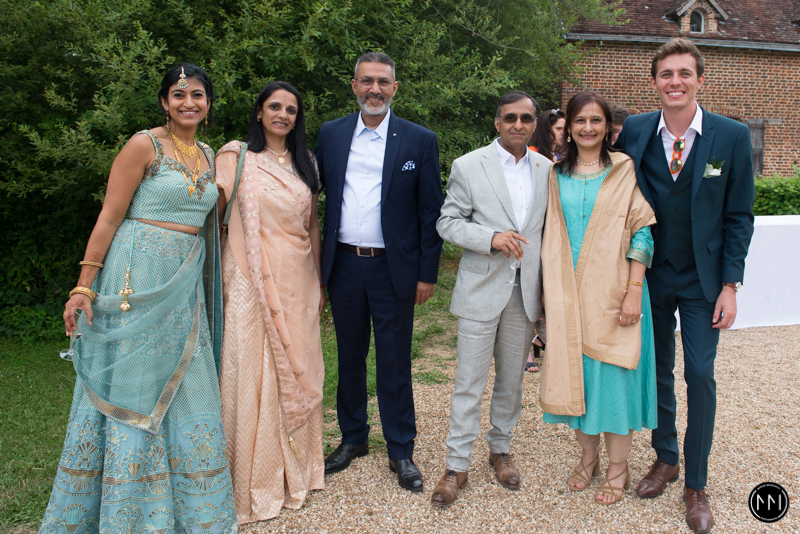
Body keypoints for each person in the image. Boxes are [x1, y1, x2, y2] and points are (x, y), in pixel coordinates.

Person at [42, 64, 237, 532]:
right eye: (178, 94)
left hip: (183, 285)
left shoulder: (209, 154)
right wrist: (83, 286)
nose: (188, 102)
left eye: (197, 95)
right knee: (135, 379)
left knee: (184, 382)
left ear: (209, 103)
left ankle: (189, 512)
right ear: (164, 102)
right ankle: (127, 512)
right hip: (137, 276)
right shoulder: (143, 145)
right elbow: (109, 218)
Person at [615, 38, 755, 533]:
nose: (675, 82)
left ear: (700, 80)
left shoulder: (732, 135)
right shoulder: (635, 129)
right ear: (654, 81)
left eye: (684, 73)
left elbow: (739, 215)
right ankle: (666, 457)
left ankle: (697, 482)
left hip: (703, 278)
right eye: (666, 74)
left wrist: (730, 285)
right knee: (657, 369)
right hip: (650, 273)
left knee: (699, 372)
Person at [313, 52, 444, 492]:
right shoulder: (331, 134)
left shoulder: (419, 140)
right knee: (349, 356)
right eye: (367, 81)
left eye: (383, 82)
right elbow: (308, 192)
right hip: (344, 264)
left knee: (394, 360)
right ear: (353, 85)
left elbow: (430, 211)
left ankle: (400, 448)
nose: (375, 89)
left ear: (394, 88)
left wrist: (427, 272)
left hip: (394, 268)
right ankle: (352, 438)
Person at [432, 91, 550, 506]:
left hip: (525, 292)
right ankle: (456, 465)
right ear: (497, 122)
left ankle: (500, 449)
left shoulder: (547, 169)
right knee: (469, 381)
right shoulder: (468, 165)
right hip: (481, 289)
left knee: (512, 381)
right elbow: (447, 222)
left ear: (534, 123)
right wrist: (491, 237)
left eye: (526, 118)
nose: (518, 124)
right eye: (510, 117)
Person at [539, 90, 657, 506]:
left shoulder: (624, 168)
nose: (588, 128)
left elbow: (642, 229)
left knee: (613, 387)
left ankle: (617, 468)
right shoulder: (554, 175)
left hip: (616, 296)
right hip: (568, 298)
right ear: (568, 128)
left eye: (596, 120)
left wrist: (633, 292)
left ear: (608, 128)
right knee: (578, 382)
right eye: (580, 121)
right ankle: (587, 459)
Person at [215, 81, 324, 523]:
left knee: (297, 366)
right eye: (274, 107)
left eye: (291, 110)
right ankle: (249, 479)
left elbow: (311, 225)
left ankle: (299, 469)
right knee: (249, 368)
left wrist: (319, 279)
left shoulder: (307, 162)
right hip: (248, 276)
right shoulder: (236, 155)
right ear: (259, 111)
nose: (282, 115)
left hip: (297, 277)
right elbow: (211, 204)